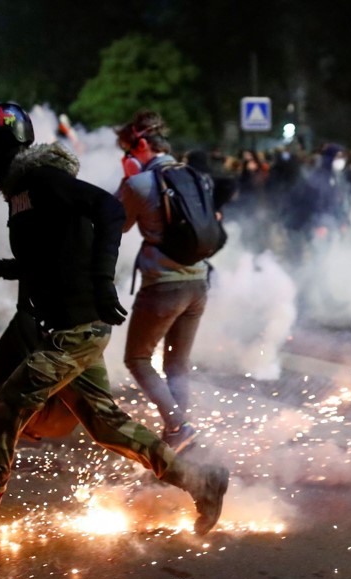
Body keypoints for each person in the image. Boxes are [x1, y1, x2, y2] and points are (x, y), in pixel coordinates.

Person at [0, 103, 229, 551]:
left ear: (4, 146)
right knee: (108, 426)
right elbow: (50, 258)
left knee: (1, 414)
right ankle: (202, 481)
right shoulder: (23, 191)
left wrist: (103, 284)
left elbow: (109, 211)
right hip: (62, 327)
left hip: (73, 332)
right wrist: (2, 267)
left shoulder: (42, 181)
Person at [115, 111, 214, 450]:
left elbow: (114, 223)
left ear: (141, 144)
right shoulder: (194, 175)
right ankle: (179, 435)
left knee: (137, 358)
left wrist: (127, 181)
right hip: (199, 283)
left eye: (127, 151)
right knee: (177, 362)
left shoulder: (139, 183)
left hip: (163, 286)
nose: (124, 158)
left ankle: (178, 425)